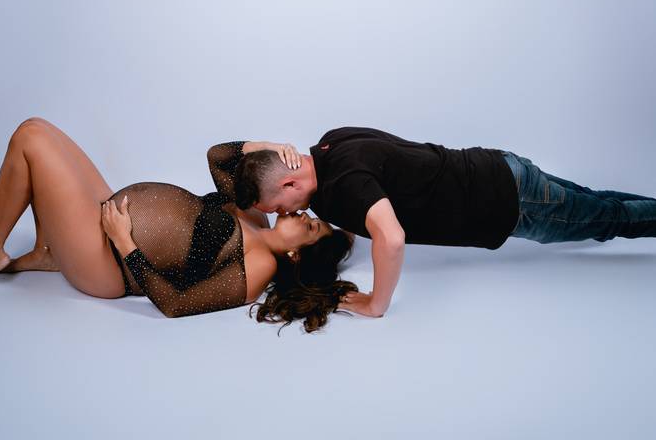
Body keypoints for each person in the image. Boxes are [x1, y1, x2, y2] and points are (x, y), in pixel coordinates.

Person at [0, 117, 357, 333]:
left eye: (310, 228)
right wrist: (265, 146)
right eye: (310, 217)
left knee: (29, 138)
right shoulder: (257, 213)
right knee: (40, 127)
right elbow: (218, 157)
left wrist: (125, 243)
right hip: (107, 214)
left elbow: (177, 305)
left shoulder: (258, 267)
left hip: (107, 261)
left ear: (295, 254)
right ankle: (48, 251)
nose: (302, 215)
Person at [233, 126, 656, 319]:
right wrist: (272, 145)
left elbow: (392, 238)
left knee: (607, 219)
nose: (283, 214)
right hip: (501, 168)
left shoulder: (345, 183)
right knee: (602, 206)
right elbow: (229, 156)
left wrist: (376, 304)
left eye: (278, 206)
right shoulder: (331, 143)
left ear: (290, 182)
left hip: (511, 202)